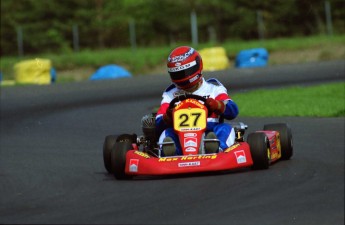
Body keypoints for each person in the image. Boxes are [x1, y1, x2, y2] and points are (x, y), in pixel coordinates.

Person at [155, 46, 239, 156]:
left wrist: (218, 105)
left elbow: (233, 110)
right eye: (178, 74)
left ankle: (216, 148)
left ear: (198, 66)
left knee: (225, 129)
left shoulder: (213, 88)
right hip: (180, 135)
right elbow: (157, 122)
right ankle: (172, 152)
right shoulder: (170, 94)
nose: (182, 78)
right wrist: (168, 117)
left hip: (210, 132)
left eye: (186, 72)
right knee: (167, 133)